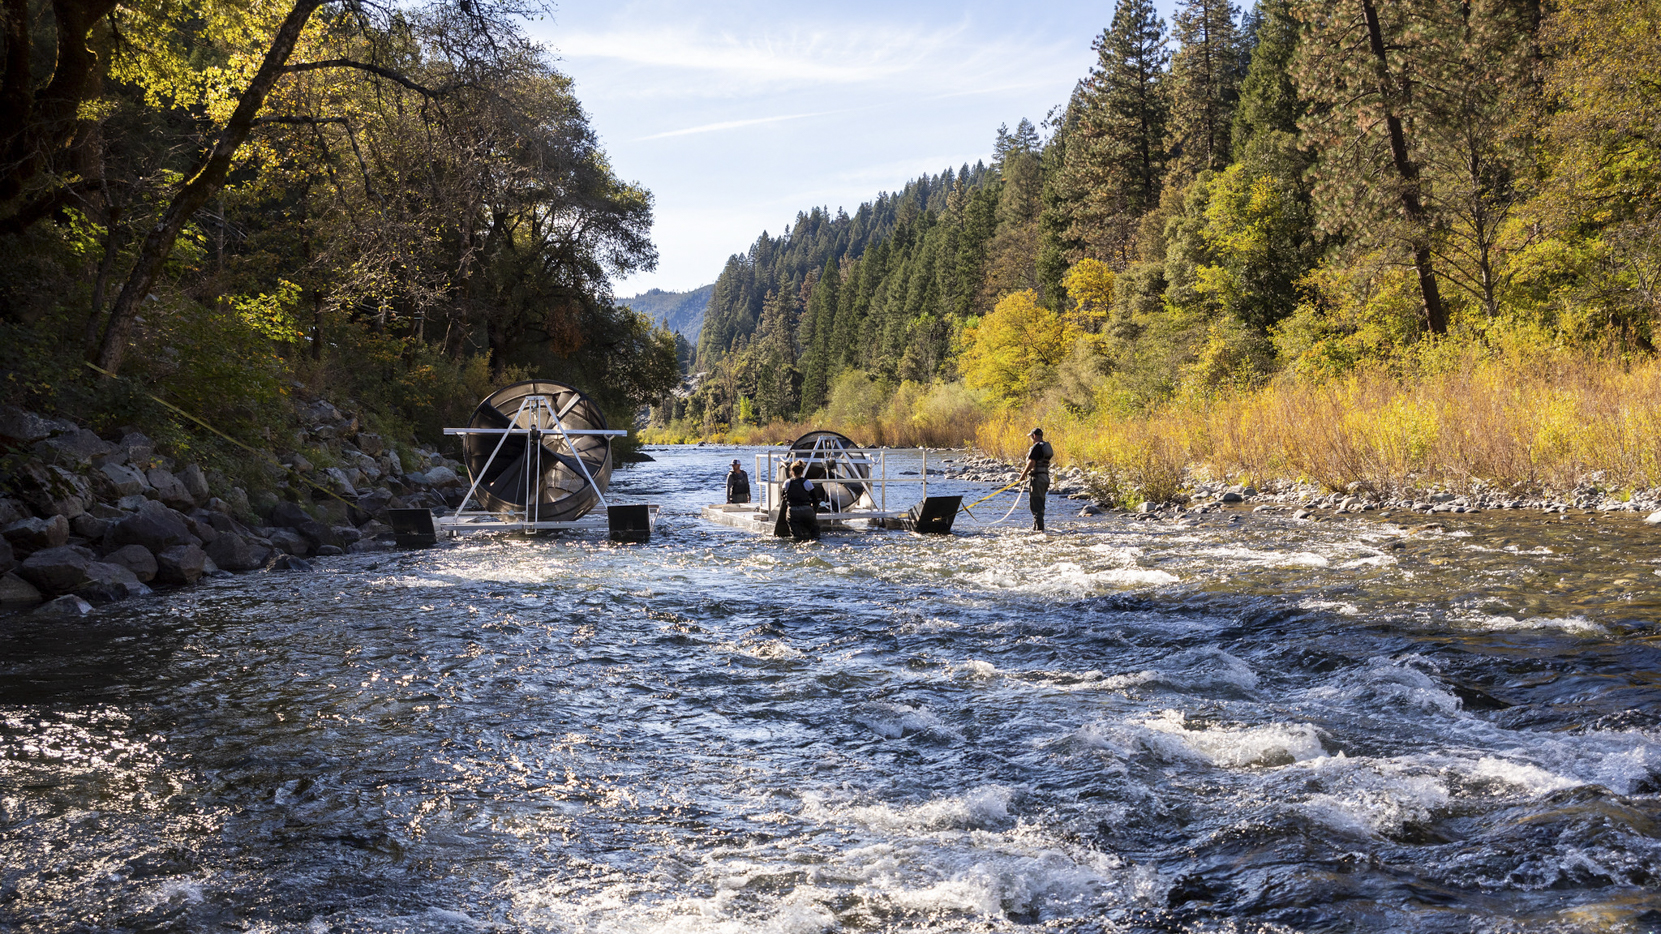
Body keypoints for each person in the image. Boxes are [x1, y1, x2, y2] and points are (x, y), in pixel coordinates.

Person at [1016, 427, 1053, 531]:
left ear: (1035, 436)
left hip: (1037, 479)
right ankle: (1036, 528)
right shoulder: (1045, 446)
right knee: (1040, 503)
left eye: (1031, 437)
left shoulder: (1037, 447)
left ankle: (1039, 530)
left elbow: (1032, 462)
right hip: (1045, 478)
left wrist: (1023, 475)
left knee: (1036, 504)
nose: (1031, 439)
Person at [781, 460, 826, 541]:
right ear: (802, 472)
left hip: (793, 510)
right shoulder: (807, 482)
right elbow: (814, 499)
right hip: (806, 510)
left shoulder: (787, 483)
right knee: (815, 532)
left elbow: (783, 497)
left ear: (791, 472)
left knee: (796, 535)